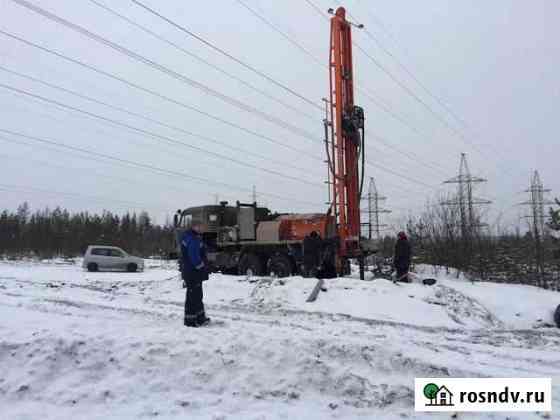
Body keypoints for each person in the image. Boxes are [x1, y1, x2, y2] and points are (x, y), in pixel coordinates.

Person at [180, 223, 210, 327]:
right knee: (193, 296)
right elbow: (194, 257)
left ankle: (200, 317)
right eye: (200, 226)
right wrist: (202, 267)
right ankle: (190, 320)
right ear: (194, 227)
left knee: (197, 295)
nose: (202, 228)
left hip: (193, 272)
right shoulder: (192, 239)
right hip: (192, 272)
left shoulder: (195, 237)